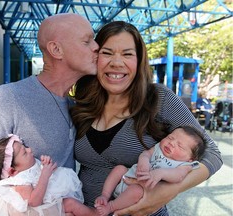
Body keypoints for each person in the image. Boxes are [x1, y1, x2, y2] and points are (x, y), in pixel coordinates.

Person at [70, 21, 222, 216]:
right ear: (96, 57)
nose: (116, 63)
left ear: (139, 60)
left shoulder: (158, 98)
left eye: (127, 54)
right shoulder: (83, 102)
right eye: (107, 53)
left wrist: (170, 190)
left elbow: (212, 153)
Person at [0, 13, 99, 212]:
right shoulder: (8, 98)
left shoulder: (75, 106)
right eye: (87, 41)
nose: (96, 46)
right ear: (56, 49)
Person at [94, 126, 205, 216]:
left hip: (141, 192)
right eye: (170, 138)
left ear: (190, 159)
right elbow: (146, 153)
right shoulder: (158, 148)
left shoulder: (185, 165)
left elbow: (178, 176)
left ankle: (110, 207)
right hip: (128, 177)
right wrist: (144, 160)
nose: (171, 143)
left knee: (136, 190)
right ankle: (105, 195)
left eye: (180, 146)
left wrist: (161, 173)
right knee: (120, 169)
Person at [0, 134, 97, 216]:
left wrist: (45, 165)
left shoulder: (23, 168)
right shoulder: (20, 181)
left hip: (51, 198)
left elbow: (38, 171)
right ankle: (95, 214)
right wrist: (44, 175)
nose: (30, 150)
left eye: (25, 147)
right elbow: (34, 202)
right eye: (24, 152)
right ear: (12, 171)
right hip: (44, 206)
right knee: (71, 204)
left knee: (72, 207)